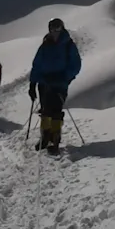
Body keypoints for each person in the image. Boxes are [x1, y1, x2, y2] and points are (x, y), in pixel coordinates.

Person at [28, 18, 81, 154]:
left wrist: (65, 77)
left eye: (57, 28)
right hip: (45, 83)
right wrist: (33, 84)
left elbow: (75, 64)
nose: (55, 32)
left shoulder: (68, 44)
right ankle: (45, 137)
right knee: (45, 111)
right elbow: (37, 64)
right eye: (52, 29)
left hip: (59, 83)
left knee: (56, 111)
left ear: (62, 28)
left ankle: (55, 139)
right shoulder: (45, 45)